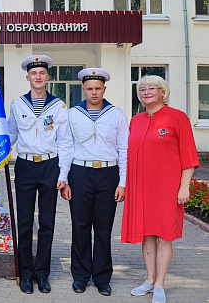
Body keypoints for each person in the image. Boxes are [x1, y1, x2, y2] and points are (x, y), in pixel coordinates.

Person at [121, 75, 198, 303]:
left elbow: (189, 157)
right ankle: (150, 279)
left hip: (167, 189)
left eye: (151, 88)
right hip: (141, 189)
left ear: (163, 92)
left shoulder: (177, 117)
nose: (146, 92)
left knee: (165, 236)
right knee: (147, 235)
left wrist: (184, 187)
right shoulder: (136, 120)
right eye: (142, 89)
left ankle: (161, 285)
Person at [7, 55, 73, 294]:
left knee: (47, 223)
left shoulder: (58, 106)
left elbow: (65, 143)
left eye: (42, 73)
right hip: (24, 167)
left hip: (49, 167)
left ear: (47, 77)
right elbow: (11, 135)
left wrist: (63, 173)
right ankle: (26, 274)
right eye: (33, 73)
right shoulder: (18, 105)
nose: (38, 77)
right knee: (24, 222)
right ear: (28, 77)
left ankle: (42, 274)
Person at [60, 68, 128, 296]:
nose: (94, 92)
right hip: (80, 173)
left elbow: (124, 149)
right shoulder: (72, 114)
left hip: (108, 175)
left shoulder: (116, 114)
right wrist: (65, 178)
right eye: (89, 88)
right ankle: (80, 276)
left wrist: (123, 182)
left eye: (98, 88)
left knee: (103, 228)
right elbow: (66, 147)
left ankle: (102, 277)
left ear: (104, 89)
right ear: (84, 90)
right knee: (80, 227)